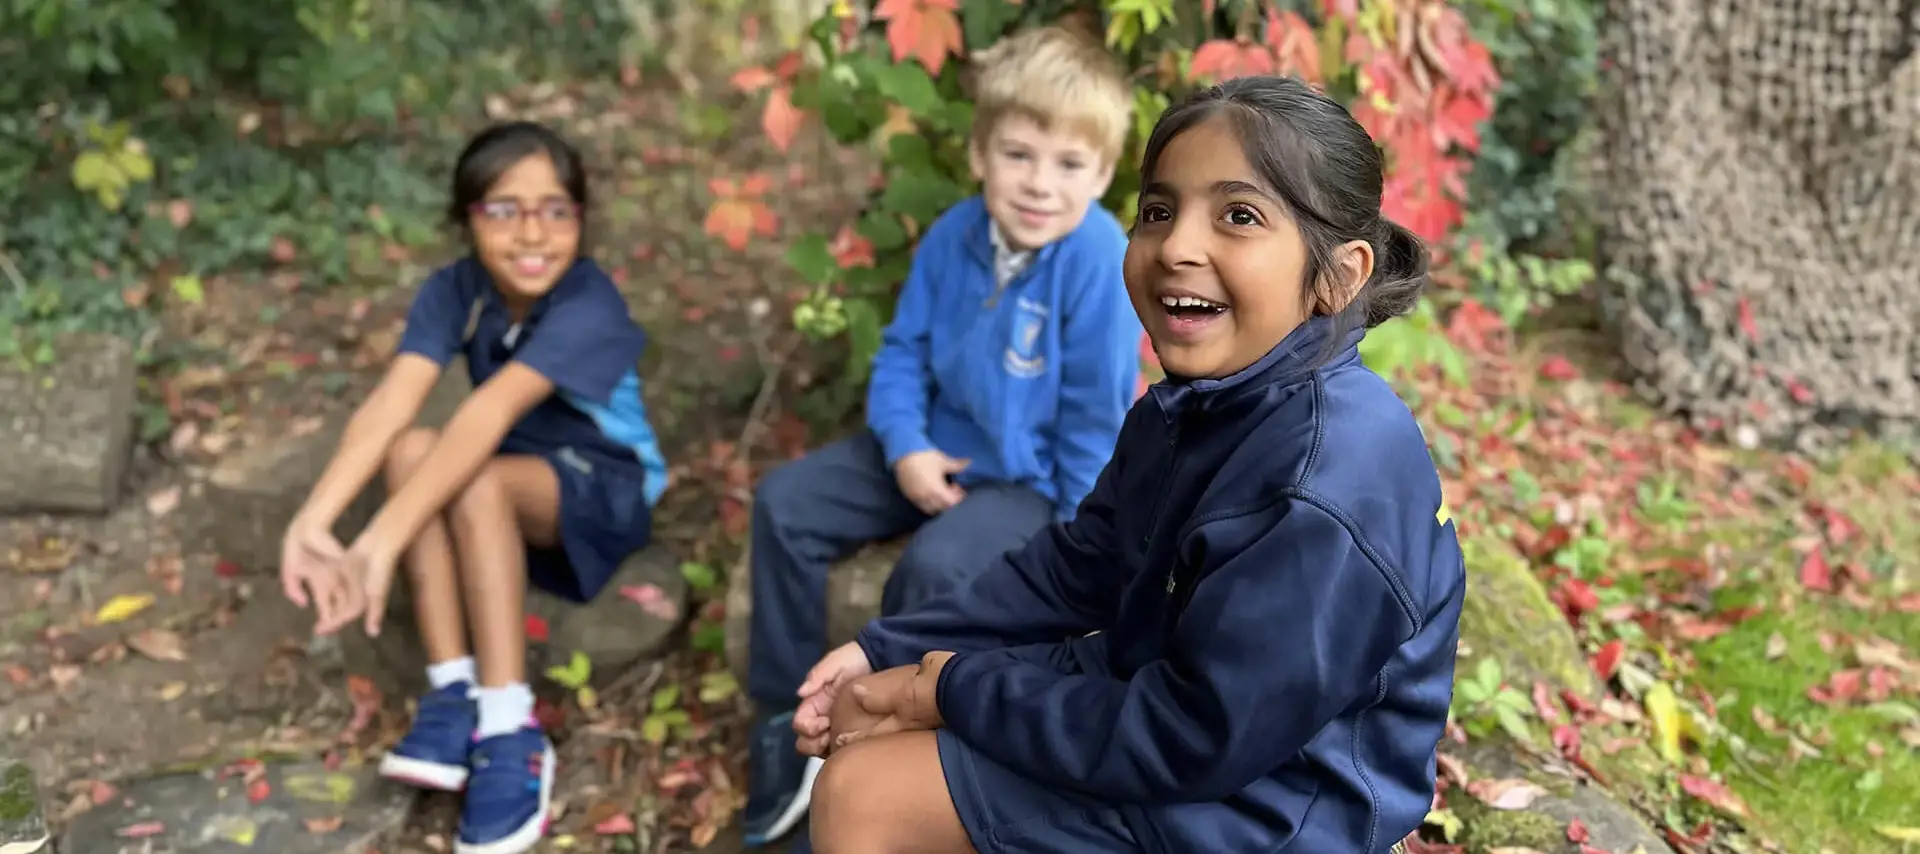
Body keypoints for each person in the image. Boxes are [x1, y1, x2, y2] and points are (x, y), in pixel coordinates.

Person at [791, 75, 1467, 854]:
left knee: (864, 795)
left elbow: (1191, 737)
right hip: (1159, 714)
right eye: (1158, 211)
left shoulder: (1322, 486)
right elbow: (1084, 564)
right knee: (865, 737)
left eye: (1239, 216)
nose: (1178, 245)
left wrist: (939, 688)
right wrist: (889, 651)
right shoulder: (1193, 406)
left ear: (1338, 276)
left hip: (1269, 805)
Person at [741, 25, 1143, 846]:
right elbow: (901, 354)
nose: (1039, 185)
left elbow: (1096, 423)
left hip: (1024, 485)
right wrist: (906, 446)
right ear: (980, 155)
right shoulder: (957, 234)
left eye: (1070, 165)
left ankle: (869, 744)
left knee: (937, 567)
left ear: (1103, 175)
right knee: (785, 503)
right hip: (934, 443)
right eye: (1019, 155)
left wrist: (1079, 551)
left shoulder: (1099, 260)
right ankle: (790, 716)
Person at [278, 121, 667, 854]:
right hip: (516, 460)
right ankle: (452, 688)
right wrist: (313, 521)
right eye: (503, 209)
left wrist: (379, 545)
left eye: (556, 209)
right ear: (466, 220)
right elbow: (397, 398)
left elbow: (490, 411)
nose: (533, 233)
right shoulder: (456, 290)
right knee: (416, 445)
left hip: (603, 484)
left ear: (581, 219)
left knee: (471, 472)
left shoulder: (591, 303)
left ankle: (509, 722)